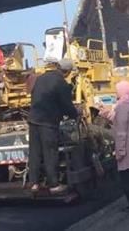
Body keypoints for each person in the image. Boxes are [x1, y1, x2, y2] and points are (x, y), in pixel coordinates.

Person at [28, 58, 78, 194]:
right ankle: (54, 185)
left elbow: (33, 95)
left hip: (33, 119)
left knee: (35, 152)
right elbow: (67, 105)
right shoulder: (61, 83)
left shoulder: (41, 78)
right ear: (67, 72)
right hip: (48, 122)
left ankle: (34, 183)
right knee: (50, 152)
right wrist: (76, 114)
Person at [98, 80, 129, 212]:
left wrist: (120, 151)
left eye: (117, 92)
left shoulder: (122, 107)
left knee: (128, 178)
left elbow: (121, 132)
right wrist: (105, 113)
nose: (116, 95)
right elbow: (119, 119)